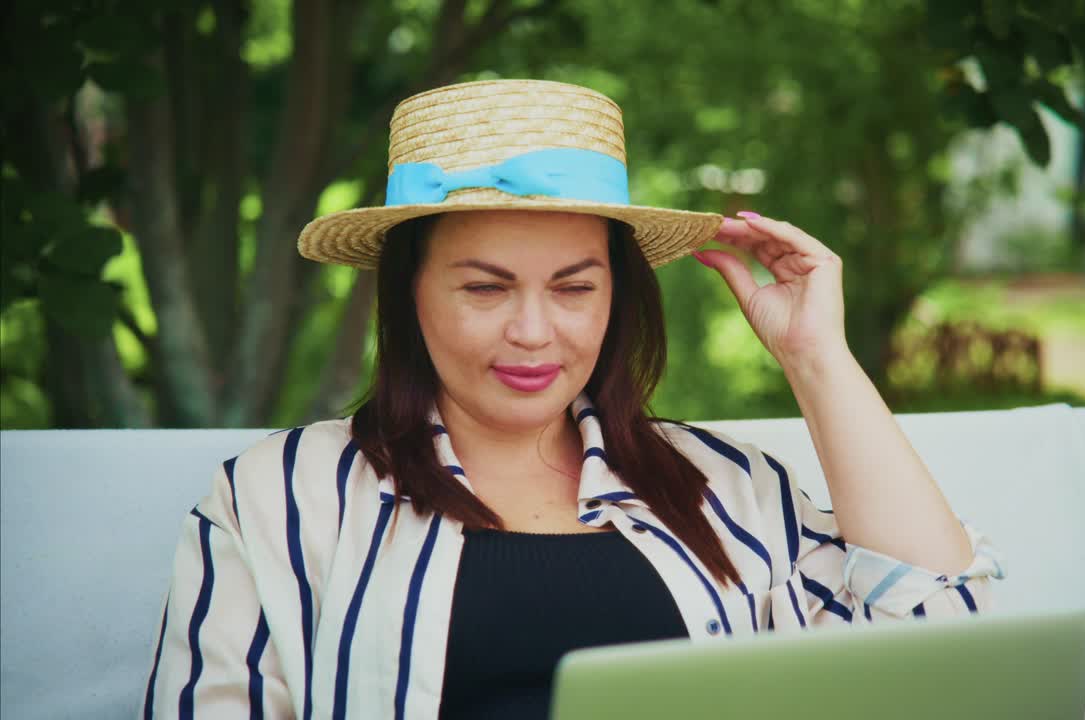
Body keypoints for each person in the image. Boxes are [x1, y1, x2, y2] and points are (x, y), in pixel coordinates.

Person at [141, 79, 1004, 720]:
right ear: (408, 293)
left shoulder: (724, 486)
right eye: (485, 289)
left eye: (573, 287)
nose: (532, 332)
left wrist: (817, 358)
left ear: (615, 296)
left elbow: (945, 632)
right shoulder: (276, 498)